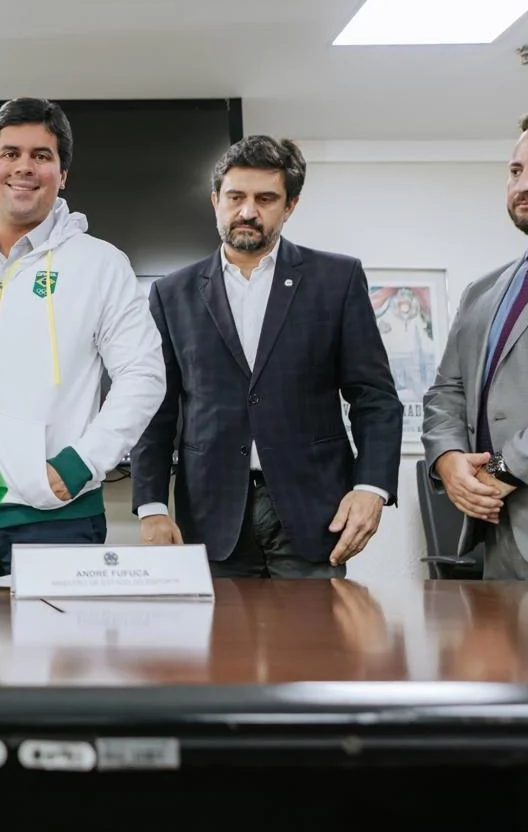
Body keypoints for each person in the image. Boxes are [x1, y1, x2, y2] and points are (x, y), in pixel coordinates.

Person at [0, 97, 167, 576]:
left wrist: (79, 465)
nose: (24, 167)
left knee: (54, 650)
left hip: (56, 515)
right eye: (10, 153)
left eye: (42, 155)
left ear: (62, 175)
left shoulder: (101, 264)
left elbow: (143, 376)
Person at [130, 135, 402, 578]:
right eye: (236, 197)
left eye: (266, 198)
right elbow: (154, 409)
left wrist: (371, 486)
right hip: (211, 513)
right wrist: (152, 505)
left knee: (315, 646)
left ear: (290, 205)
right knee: (220, 646)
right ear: (216, 199)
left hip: (314, 511)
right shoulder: (171, 293)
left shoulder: (337, 279)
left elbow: (374, 397)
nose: (248, 211)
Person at [422, 103, 528, 582]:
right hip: (494, 537)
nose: (525, 184)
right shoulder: (484, 291)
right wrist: (449, 461)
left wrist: (500, 471)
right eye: (516, 170)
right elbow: (446, 392)